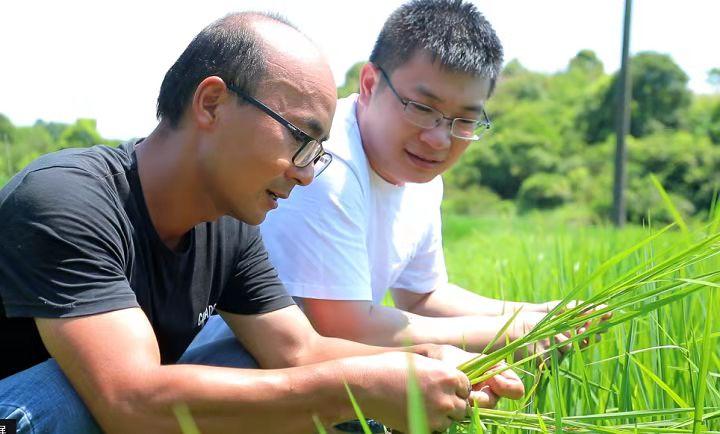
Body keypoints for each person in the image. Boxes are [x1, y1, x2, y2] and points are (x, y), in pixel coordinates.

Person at [0, 11, 524, 434]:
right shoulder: (66, 198)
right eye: (300, 137)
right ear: (211, 103)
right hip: (29, 412)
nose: (306, 173)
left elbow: (300, 349)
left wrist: (431, 360)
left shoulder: (228, 229)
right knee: (65, 393)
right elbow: (130, 401)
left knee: (267, 371)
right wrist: (361, 388)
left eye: (317, 151)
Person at [194, 0, 602, 370]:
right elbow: (343, 325)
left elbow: (423, 295)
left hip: (314, 366)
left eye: (464, 121)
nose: (440, 139)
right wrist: (510, 332)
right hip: (234, 362)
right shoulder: (324, 165)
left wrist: (538, 314)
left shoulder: (420, 176)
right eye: (423, 109)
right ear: (370, 85)